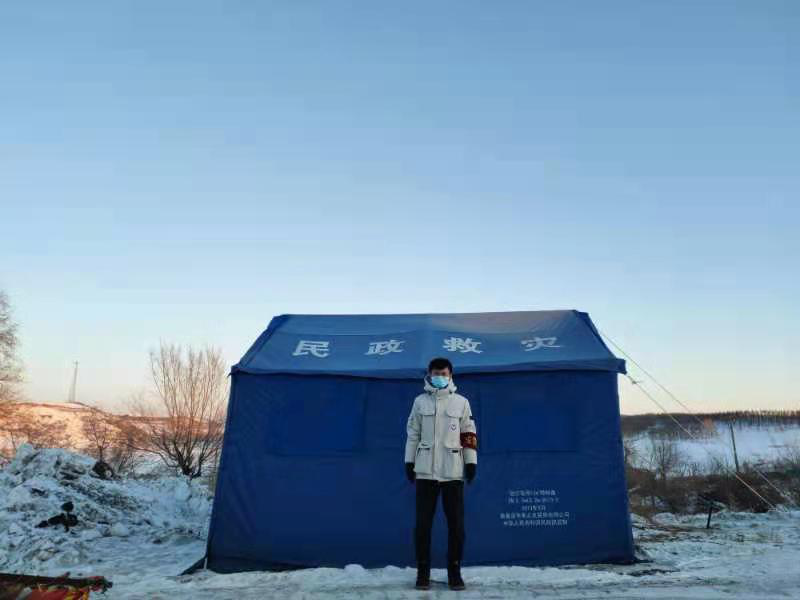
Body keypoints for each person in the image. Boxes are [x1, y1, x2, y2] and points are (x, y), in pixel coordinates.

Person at [404, 357, 478, 591]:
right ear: (429, 374)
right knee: (422, 526)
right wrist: (409, 461)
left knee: (456, 526)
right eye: (436, 373)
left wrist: (471, 462)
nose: (440, 377)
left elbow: (468, 433)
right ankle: (422, 573)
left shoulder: (461, 402)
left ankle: (454, 572)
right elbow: (413, 434)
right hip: (425, 473)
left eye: (444, 374)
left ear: (450, 375)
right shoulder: (419, 402)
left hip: (452, 473)